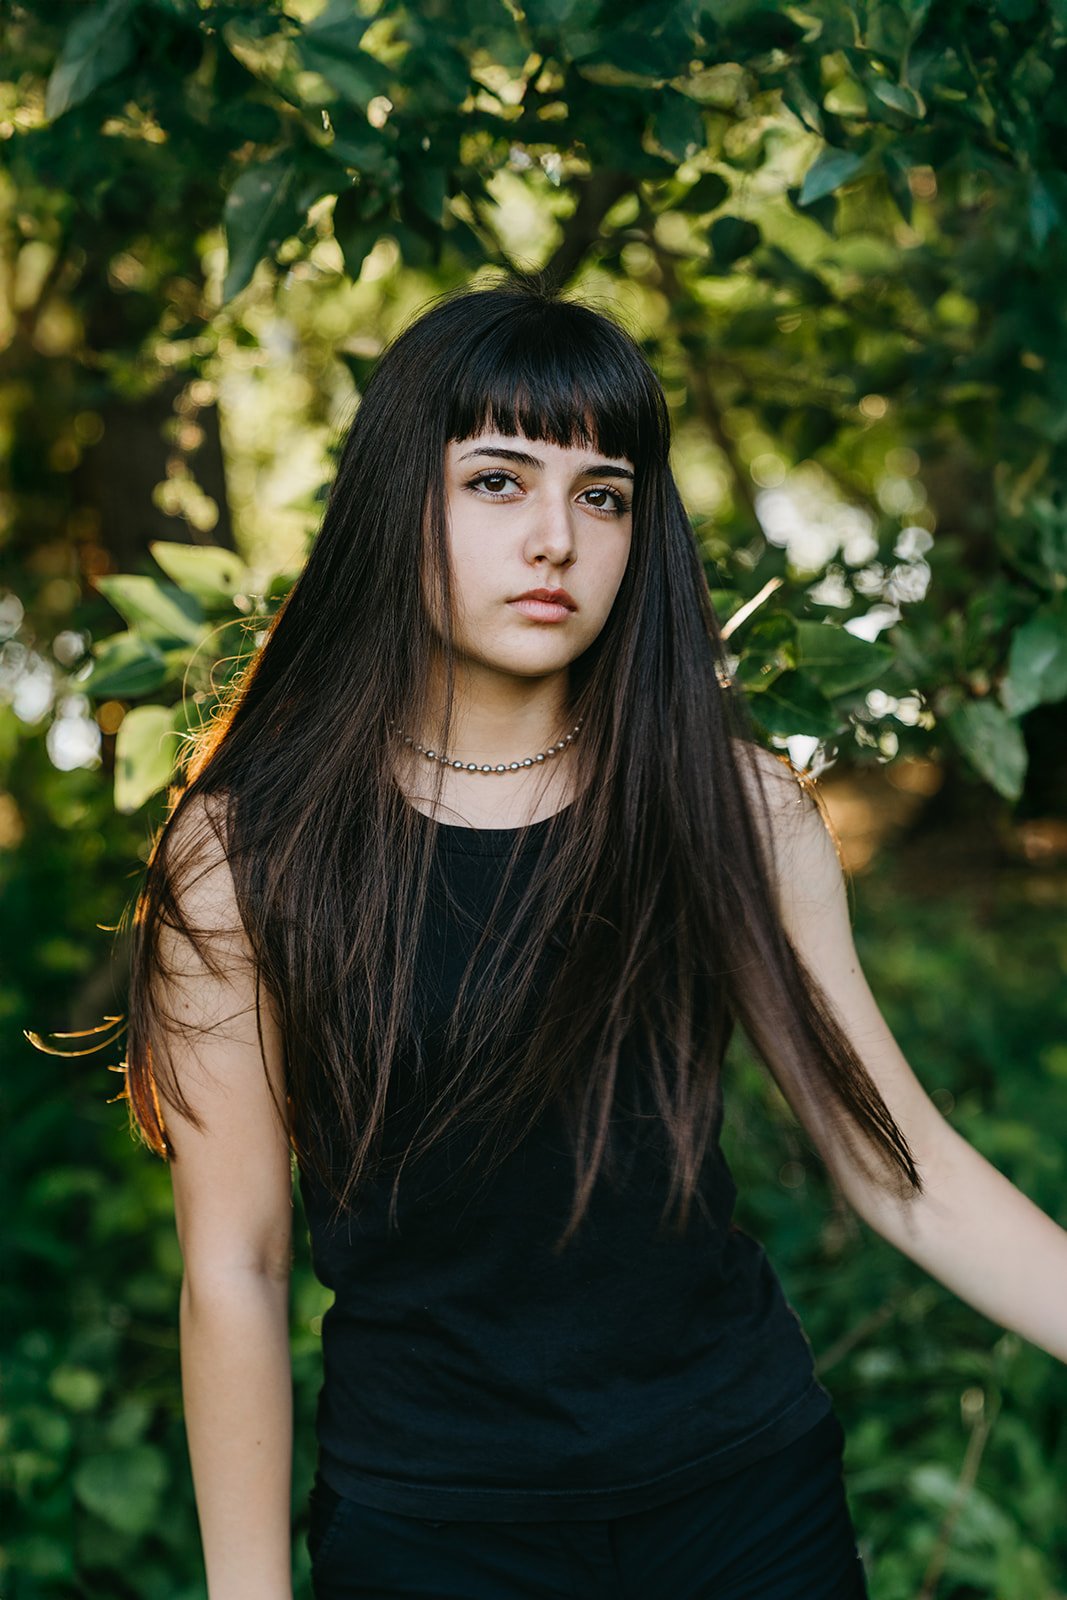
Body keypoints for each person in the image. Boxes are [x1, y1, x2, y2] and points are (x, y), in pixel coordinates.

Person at [117, 272, 1067, 1600]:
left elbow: (901, 1169)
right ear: (402, 505)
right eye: (498, 481)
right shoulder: (244, 851)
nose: (557, 537)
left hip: (745, 1507)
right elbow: (237, 1263)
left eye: (603, 494)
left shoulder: (733, 811)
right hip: (432, 1532)